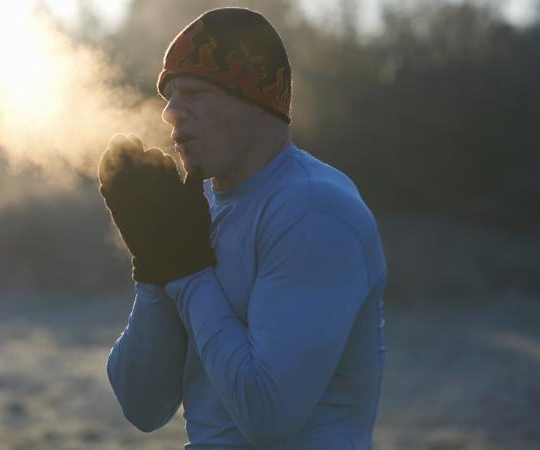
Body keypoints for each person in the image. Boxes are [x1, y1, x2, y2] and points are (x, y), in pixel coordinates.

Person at [98, 7, 387, 449]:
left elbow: (268, 414)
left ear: (254, 99)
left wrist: (187, 271)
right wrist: (153, 265)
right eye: (169, 97)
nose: (170, 114)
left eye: (193, 92)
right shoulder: (200, 209)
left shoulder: (314, 210)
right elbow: (143, 406)